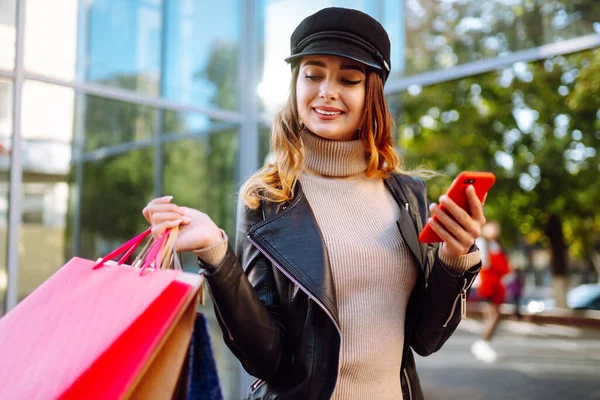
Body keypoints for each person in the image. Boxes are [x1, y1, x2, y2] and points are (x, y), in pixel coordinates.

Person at [143, 7, 485, 400]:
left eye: (349, 79)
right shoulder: (267, 199)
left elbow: (425, 338)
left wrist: (455, 257)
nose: (327, 91)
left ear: (369, 94)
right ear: (295, 84)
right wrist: (215, 253)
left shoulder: (407, 195)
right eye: (313, 74)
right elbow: (267, 360)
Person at [471, 220, 510, 363]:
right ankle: (483, 343)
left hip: (496, 285)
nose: (495, 231)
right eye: (492, 228)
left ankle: (485, 344)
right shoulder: (482, 243)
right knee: (493, 315)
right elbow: (485, 264)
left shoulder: (496, 245)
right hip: (488, 285)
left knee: (493, 316)